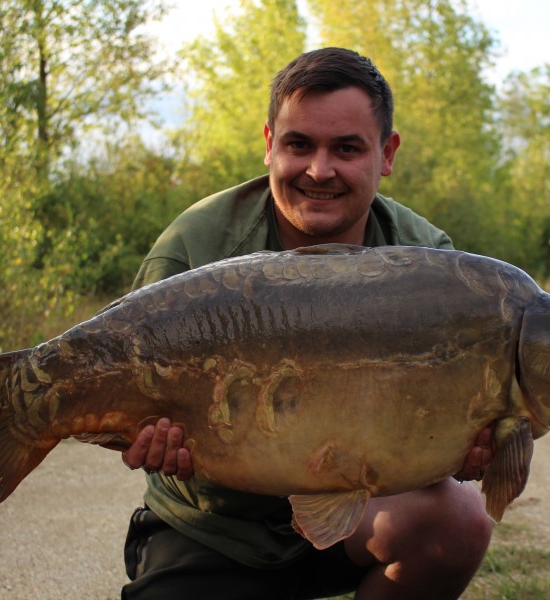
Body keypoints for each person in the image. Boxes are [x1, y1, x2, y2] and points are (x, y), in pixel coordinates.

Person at [119, 47, 495, 600]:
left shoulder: (429, 264)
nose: (320, 171)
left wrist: (466, 447)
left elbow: (447, 432)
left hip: (364, 516)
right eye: (300, 145)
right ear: (270, 144)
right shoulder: (195, 248)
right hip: (216, 526)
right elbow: (125, 380)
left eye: (346, 148)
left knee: (460, 521)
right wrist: (144, 433)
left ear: (386, 153)